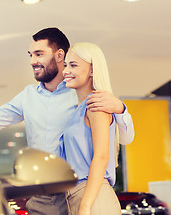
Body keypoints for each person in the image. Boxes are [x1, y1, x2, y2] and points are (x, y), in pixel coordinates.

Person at [0, 28, 134, 215]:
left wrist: (121, 109)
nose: (32, 61)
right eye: (31, 55)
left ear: (59, 55)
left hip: (78, 193)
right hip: (41, 197)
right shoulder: (27, 96)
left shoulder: (84, 97)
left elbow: (121, 140)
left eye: (39, 54)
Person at [60, 42, 121, 215]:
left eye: (73, 65)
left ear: (93, 70)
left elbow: (101, 157)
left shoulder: (96, 104)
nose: (65, 71)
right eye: (65, 65)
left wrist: (85, 206)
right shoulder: (78, 110)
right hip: (79, 196)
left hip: (93, 198)